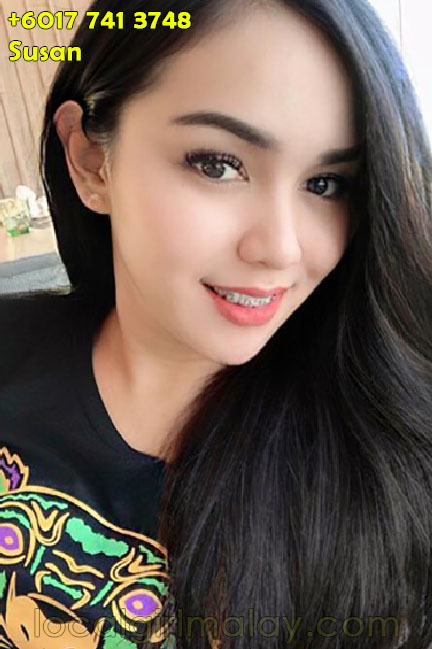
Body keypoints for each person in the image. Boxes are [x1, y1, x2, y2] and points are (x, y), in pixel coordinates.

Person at [0, 0, 431, 647]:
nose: (281, 248)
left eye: (325, 184)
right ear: (91, 160)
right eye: (218, 164)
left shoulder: (389, 477)